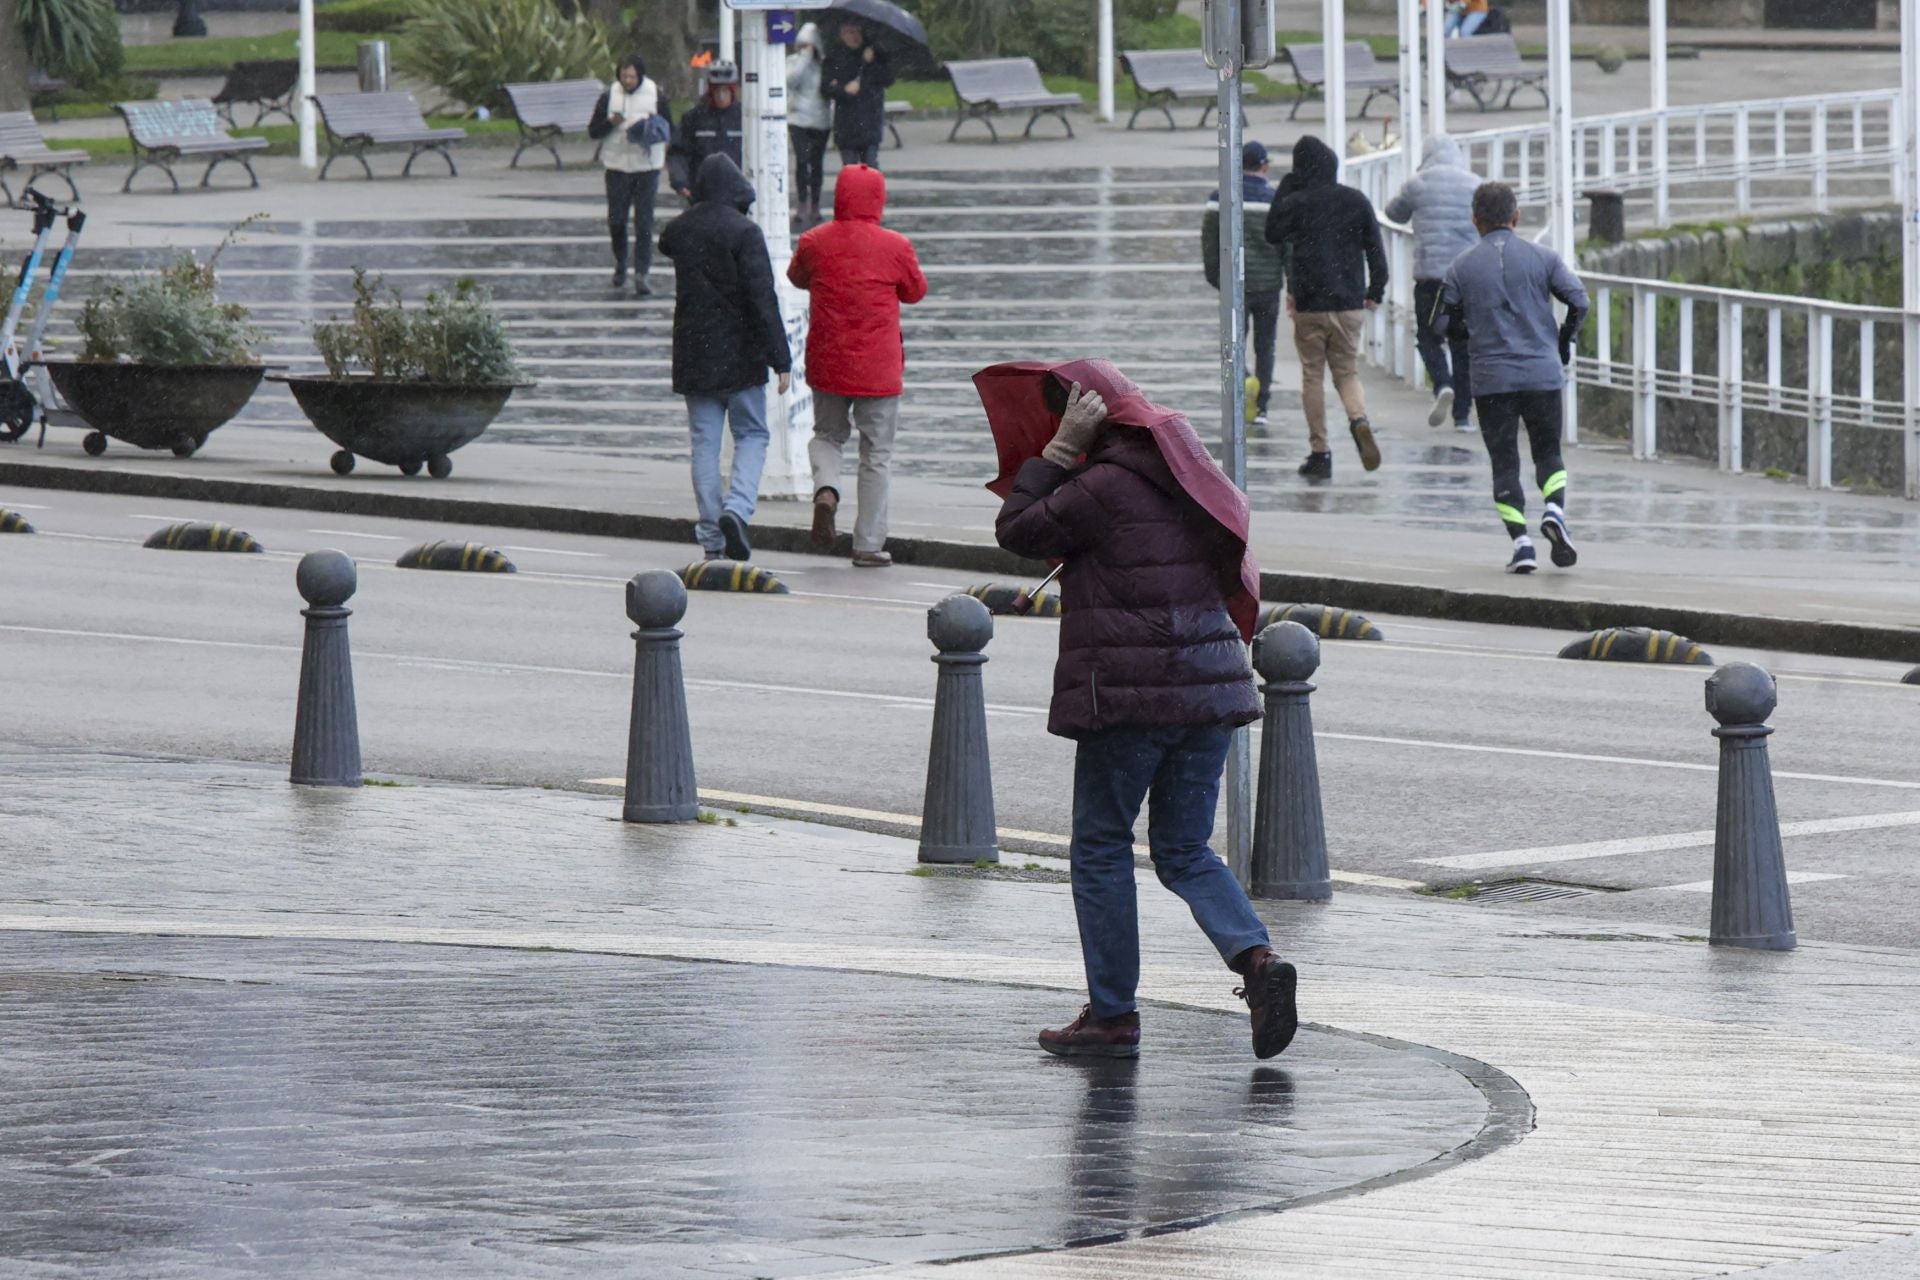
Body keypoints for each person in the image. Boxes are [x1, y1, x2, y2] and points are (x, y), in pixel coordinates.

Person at [987, 359, 1299, 1063]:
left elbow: (1017, 528)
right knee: (1184, 848)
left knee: (1101, 845)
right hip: (1211, 686)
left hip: (1134, 694)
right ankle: (1255, 960)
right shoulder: (1185, 475)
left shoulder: (1099, 486)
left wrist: (1060, 452)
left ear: (1086, 416)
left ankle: (1112, 1014)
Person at [1437, 181, 1590, 574]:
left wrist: (1465, 332)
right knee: (1548, 453)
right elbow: (1579, 300)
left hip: (1491, 379)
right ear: (1516, 217)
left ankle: (1522, 544)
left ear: (1475, 220)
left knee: (1504, 461)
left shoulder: (1461, 267)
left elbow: (1438, 321)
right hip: (1542, 373)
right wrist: (1563, 340)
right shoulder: (1545, 258)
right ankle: (1554, 509)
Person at [789, 164, 928, 568]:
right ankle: (867, 544)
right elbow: (916, 291)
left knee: (828, 435)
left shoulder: (815, 241)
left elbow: (797, 276)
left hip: (828, 362)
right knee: (876, 454)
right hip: (879, 371)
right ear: (878, 200)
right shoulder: (895, 246)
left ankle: (827, 490)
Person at [658, 154, 793, 562]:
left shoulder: (682, 231)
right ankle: (737, 509)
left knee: (705, 444)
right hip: (741, 355)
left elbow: (666, 241)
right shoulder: (745, 233)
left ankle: (712, 537)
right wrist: (781, 359)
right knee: (752, 434)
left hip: (694, 354)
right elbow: (762, 299)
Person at [1263, 135, 1387, 480]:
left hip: (1310, 303)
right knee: (1346, 373)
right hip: (1349, 302)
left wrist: (1288, 185)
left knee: (1313, 375)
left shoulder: (1297, 201)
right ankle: (1358, 419)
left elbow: (1272, 232)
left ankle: (1320, 452)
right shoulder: (1355, 200)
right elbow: (1375, 249)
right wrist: (1376, 288)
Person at [1384, 134, 1481, 432]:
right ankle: (1463, 417)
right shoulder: (1474, 184)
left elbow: (1393, 214)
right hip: (1465, 278)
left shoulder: (1418, 183)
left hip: (1429, 276)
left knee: (1428, 337)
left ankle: (1442, 383)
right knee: (1462, 345)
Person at [1202, 140, 1285, 428]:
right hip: (1267, 287)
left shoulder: (1220, 197)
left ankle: (1242, 389)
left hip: (1235, 287)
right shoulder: (1274, 200)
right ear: (1264, 166)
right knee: (1266, 345)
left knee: (1234, 343)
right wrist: (1284, 278)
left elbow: (1210, 243)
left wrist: (1218, 279)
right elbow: (1284, 245)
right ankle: (1262, 406)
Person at [586, 55, 667, 297]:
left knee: (644, 223)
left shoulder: (655, 95)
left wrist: (649, 130)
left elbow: (669, 127)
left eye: (632, 76)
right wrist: (611, 122)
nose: (627, 81)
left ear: (640, 76)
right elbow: (593, 131)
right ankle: (621, 261)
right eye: (623, 76)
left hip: (647, 166)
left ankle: (642, 272)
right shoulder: (609, 95)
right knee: (617, 220)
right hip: (617, 165)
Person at [667, 63, 743, 203]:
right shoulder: (694, 117)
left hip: (737, 192)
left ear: (733, 91)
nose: (721, 96)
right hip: (701, 192)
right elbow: (678, 152)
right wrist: (680, 181)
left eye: (725, 91)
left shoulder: (744, 118)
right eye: (716, 91)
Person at [822, 21, 892, 169]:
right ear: (842, 34)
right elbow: (826, 88)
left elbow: (887, 79)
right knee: (850, 168)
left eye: (857, 32)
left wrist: (872, 63)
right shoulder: (835, 57)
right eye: (850, 32)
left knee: (871, 166)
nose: (854, 37)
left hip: (870, 120)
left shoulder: (875, 54)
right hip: (846, 124)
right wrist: (844, 90)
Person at [786, 23, 833, 225]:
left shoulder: (824, 65)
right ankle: (802, 203)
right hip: (798, 119)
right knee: (802, 161)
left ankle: (815, 203)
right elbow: (791, 81)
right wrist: (804, 58)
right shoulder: (793, 62)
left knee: (816, 164)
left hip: (820, 120)